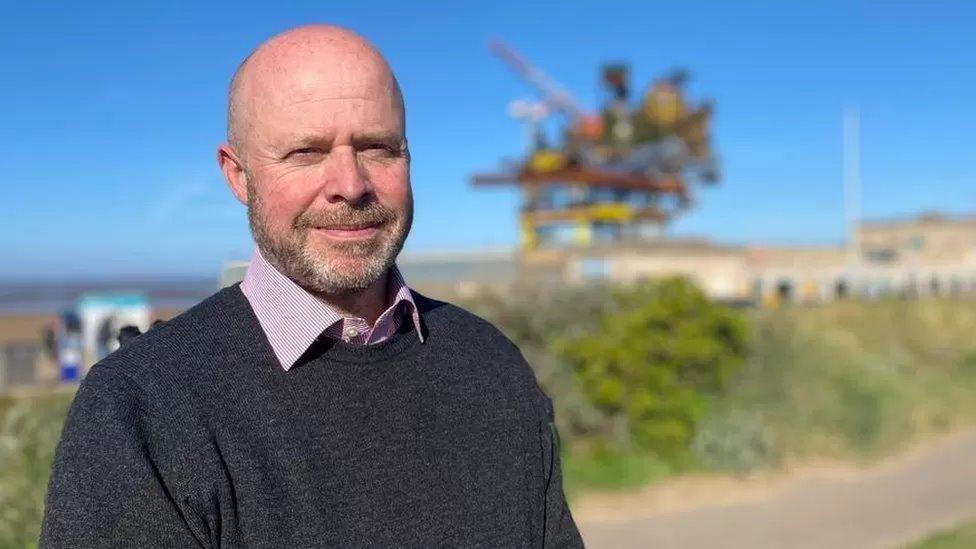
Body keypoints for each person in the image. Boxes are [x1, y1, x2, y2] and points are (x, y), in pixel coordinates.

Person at [40, 25, 583, 548]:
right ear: (238, 175)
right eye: (306, 152)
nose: (350, 186)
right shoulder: (143, 409)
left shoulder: (492, 364)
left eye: (377, 148)